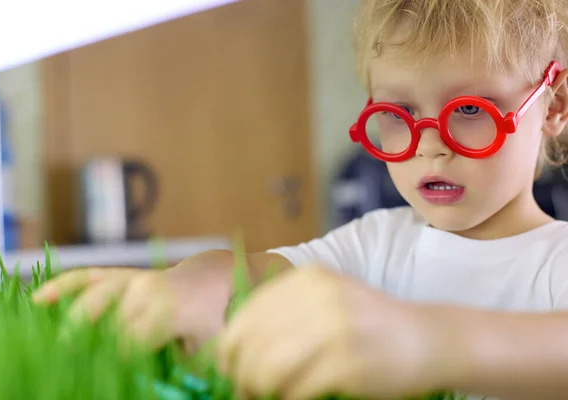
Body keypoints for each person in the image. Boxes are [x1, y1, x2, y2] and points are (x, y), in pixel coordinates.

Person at [32, 0, 568, 399]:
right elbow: (251, 271)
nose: (427, 146)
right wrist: (186, 287)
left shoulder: (554, 260)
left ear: (553, 106)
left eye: (470, 109)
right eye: (398, 113)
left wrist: (433, 344)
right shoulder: (376, 243)